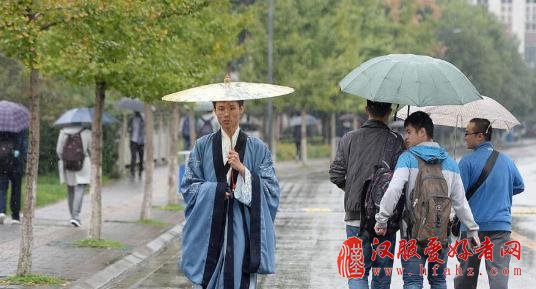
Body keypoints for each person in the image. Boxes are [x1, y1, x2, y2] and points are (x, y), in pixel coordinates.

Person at [374, 111, 480, 289]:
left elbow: (393, 190)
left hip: (412, 234)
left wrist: (382, 219)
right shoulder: (450, 163)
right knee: (438, 281)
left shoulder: (407, 158)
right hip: (441, 233)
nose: (405, 137)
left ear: (422, 132)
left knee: (413, 282)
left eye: (408, 132)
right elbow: (460, 202)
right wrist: (472, 229)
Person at [180, 100, 280, 289]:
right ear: (214, 111)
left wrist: (243, 170)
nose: (226, 114)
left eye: (232, 108)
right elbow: (188, 186)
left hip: (242, 226)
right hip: (209, 225)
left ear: (241, 109)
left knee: (237, 277)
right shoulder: (201, 146)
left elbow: (271, 189)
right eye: (221, 108)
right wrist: (216, 192)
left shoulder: (257, 148)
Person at [329, 100, 405, 289]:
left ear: (366, 110)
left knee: (357, 272)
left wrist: (356, 190)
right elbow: (402, 180)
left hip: (355, 218)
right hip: (384, 218)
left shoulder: (349, 138)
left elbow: (336, 174)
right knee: (381, 275)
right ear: (388, 111)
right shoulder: (395, 141)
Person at [454, 118, 524, 289]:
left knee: (466, 277)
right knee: (499, 276)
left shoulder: (466, 162)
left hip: (472, 230)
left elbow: (457, 195)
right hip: (500, 228)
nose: (465, 137)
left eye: (467, 133)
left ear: (480, 136)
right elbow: (519, 185)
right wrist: (499, 192)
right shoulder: (507, 161)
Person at [56, 125, 91, 227]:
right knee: (80, 188)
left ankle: (72, 216)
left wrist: (67, 158)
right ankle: (75, 217)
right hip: (83, 164)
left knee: (70, 189)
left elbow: (58, 150)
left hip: (68, 164)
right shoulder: (87, 132)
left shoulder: (63, 132)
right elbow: (92, 149)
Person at [0, 129, 28, 224]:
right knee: (16, 189)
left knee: (1, 188)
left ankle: (1, 211)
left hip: (2, 161)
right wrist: (23, 159)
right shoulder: (20, 127)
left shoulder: (2, 123)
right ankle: (15, 216)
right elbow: (24, 144)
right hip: (16, 163)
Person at [128, 111, 145, 179]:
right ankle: (132, 172)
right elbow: (128, 128)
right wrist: (129, 129)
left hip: (141, 141)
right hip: (133, 140)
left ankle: (140, 171)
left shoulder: (143, 119)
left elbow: (145, 129)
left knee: (141, 157)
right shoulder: (131, 119)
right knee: (133, 157)